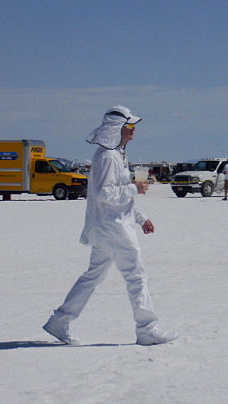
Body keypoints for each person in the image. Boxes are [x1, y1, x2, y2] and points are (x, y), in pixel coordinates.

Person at [43, 106, 177, 346]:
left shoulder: (116, 155)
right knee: (136, 275)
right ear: (119, 129)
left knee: (92, 277)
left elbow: (118, 195)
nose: (134, 131)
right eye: (130, 126)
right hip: (114, 228)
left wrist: (140, 217)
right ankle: (146, 328)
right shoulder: (107, 157)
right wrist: (135, 189)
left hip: (111, 226)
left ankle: (59, 320)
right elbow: (105, 193)